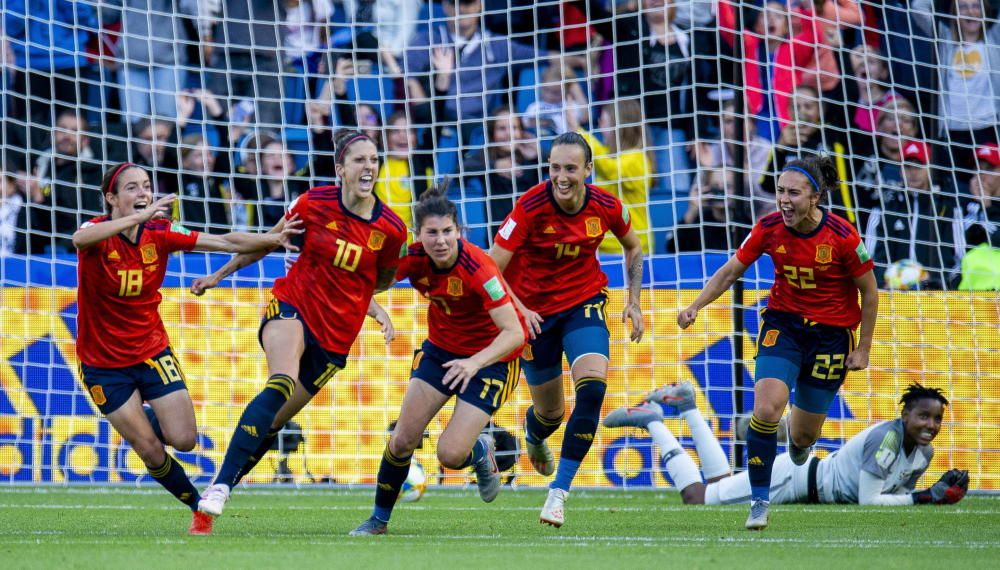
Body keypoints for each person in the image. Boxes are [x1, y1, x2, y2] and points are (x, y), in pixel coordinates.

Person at [73, 162, 303, 535]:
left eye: (146, 186)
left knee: (184, 439)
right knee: (149, 449)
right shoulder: (95, 232)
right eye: (131, 188)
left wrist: (273, 238)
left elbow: (226, 240)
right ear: (111, 198)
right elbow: (79, 240)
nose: (143, 194)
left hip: (151, 352)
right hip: (101, 363)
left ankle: (140, 417)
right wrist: (143, 216)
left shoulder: (161, 233)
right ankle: (196, 507)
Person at [190, 129, 408, 518]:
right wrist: (218, 275)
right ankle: (219, 485)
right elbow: (269, 242)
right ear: (340, 168)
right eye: (360, 160)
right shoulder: (312, 203)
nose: (369, 167)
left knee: (273, 422)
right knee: (281, 379)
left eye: (374, 160)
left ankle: (218, 493)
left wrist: (370, 306)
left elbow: (381, 278)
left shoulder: (391, 229)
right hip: (293, 304)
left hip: (336, 336)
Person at [677, 155, 879, 530]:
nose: (784, 200)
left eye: (794, 193)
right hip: (782, 326)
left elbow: (869, 292)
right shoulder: (768, 227)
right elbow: (730, 271)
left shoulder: (843, 236)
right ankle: (759, 501)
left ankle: (795, 441)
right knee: (767, 410)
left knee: (804, 438)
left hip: (830, 336)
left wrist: (863, 348)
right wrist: (695, 306)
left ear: (815, 197)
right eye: (780, 191)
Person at [350, 181, 528, 536]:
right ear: (419, 235)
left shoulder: (480, 267)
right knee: (401, 441)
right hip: (441, 352)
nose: (441, 240)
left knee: (449, 455)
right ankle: (378, 521)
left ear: (459, 230)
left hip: (494, 359)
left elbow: (515, 333)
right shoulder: (412, 258)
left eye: (448, 231)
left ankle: (479, 450)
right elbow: (359, 283)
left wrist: (474, 362)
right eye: (432, 233)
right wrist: (376, 311)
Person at [490, 132, 646, 527]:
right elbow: (492, 268)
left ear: (588, 170)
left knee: (592, 389)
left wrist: (633, 300)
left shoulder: (606, 206)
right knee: (550, 414)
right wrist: (519, 309)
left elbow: (633, 245)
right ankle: (535, 432)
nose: (561, 176)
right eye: (554, 168)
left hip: (583, 303)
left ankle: (558, 493)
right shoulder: (529, 207)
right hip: (535, 316)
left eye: (570, 168)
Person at [603, 382, 970, 507]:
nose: (930, 425)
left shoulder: (923, 452)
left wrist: (927, 494)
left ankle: (686, 407)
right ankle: (653, 419)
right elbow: (869, 501)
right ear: (904, 414)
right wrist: (927, 497)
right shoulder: (888, 438)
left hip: (799, 477)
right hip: (793, 480)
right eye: (923, 416)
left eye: (936, 419)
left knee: (717, 486)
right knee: (697, 499)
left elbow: (893, 498)